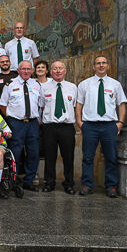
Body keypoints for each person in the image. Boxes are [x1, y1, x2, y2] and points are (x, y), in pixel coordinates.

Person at [76, 56, 127, 198]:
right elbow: (79, 105)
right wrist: (80, 123)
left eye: (104, 63)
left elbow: (121, 104)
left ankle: (111, 186)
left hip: (109, 126)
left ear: (108, 66)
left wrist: (120, 123)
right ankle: (87, 185)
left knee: (111, 157)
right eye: (98, 63)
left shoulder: (115, 85)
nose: (101, 65)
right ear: (93, 67)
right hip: (90, 126)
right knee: (87, 157)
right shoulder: (84, 84)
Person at [0, 60, 42, 192]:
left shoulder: (36, 84)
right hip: (16, 123)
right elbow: (2, 104)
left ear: (32, 71)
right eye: (23, 69)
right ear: (18, 70)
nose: (26, 71)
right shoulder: (10, 84)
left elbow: (41, 104)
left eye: (29, 69)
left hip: (33, 123)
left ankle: (29, 181)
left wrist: (38, 119)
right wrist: (11, 118)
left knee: (33, 152)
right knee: (15, 152)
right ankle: (13, 180)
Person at [40, 61, 77, 194]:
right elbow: (42, 106)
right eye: (55, 68)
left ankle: (69, 184)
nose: (58, 71)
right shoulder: (44, 87)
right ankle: (49, 183)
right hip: (50, 127)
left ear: (65, 70)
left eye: (60, 68)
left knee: (68, 156)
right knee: (50, 156)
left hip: (67, 127)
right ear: (50, 71)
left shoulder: (73, 87)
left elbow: (74, 106)